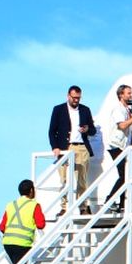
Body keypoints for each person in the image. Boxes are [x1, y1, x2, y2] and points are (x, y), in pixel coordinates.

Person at [49, 84, 97, 213]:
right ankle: (64, 207)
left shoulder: (85, 110)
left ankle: (82, 207)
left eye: (78, 98)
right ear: (68, 96)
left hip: (81, 147)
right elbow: (52, 131)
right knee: (63, 179)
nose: (76, 100)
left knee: (82, 179)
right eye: (74, 97)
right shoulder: (58, 109)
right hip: (65, 147)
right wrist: (55, 147)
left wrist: (87, 129)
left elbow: (92, 130)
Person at [0, 179, 46, 264]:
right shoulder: (34, 205)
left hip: (8, 243)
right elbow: (41, 224)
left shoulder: (11, 205)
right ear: (31, 190)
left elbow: (2, 226)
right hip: (22, 243)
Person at [100, 84, 132, 210]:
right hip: (116, 146)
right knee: (124, 175)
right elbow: (122, 126)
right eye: (128, 93)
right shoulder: (117, 109)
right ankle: (110, 200)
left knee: (127, 175)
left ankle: (123, 204)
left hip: (124, 146)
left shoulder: (126, 109)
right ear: (121, 95)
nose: (131, 95)